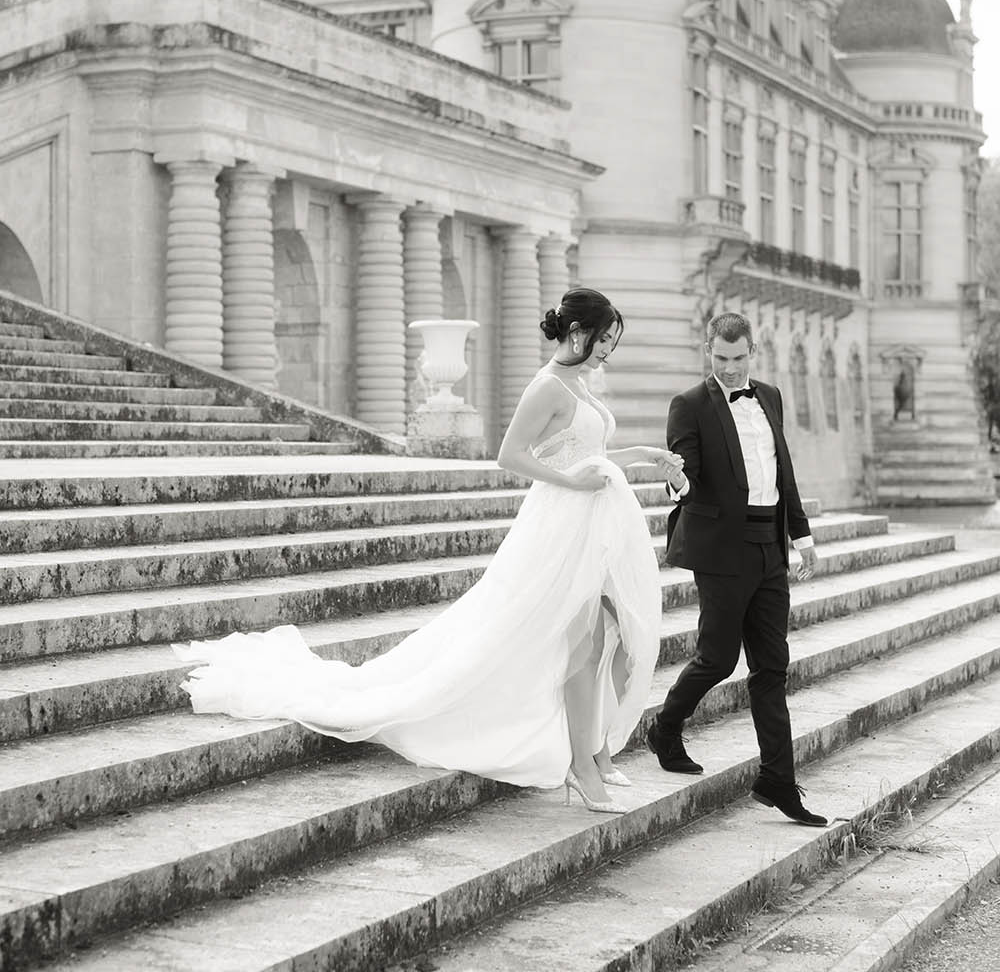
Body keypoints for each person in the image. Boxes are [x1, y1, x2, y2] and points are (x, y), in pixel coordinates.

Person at [179, 286, 684, 812]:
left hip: (592, 527)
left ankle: (597, 753)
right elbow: (510, 457)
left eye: (612, 343)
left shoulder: (579, 384)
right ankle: (582, 767)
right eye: (604, 339)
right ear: (578, 333)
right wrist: (572, 483)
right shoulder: (549, 387)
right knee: (581, 645)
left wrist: (645, 455)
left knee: (603, 638)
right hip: (562, 526)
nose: (607, 350)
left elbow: (590, 453)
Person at [646, 311, 828, 827]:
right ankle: (665, 726)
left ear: (753, 351)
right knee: (719, 660)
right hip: (723, 550)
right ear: (709, 350)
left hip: (770, 545)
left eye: (739, 358)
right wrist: (675, 482)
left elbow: (783, 472)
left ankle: (777, 780)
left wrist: (802, 535)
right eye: (721, 358)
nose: (730, 368)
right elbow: (686, 477)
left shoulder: (769, 396)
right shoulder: (689, 405)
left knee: (771, 668)